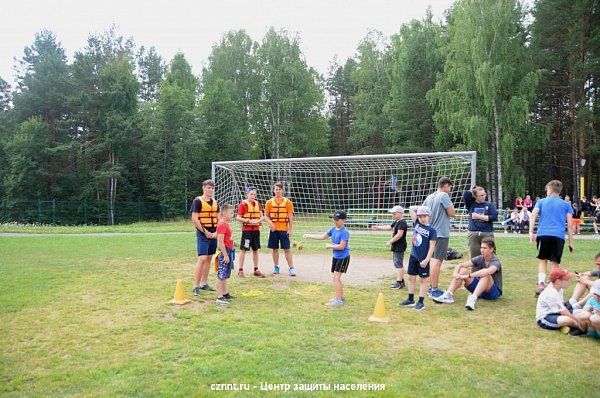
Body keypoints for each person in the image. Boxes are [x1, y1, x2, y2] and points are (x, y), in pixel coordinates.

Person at [529, 180, 574, 297]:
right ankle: (553, 287)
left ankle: (541, 284)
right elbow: (570, 225)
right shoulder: (566, 205)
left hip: (543, 234)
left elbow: (533, 214)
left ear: (550, 189)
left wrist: (531, 232)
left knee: (542, 260)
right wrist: (571, 242)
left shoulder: (541, 201)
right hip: (558, 236)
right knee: (555, 263)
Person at [433, 237, 502, 310]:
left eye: (485, 248)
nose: (482, 250)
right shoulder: (480, 258)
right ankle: (448, 295)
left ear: (491, 249)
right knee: (462, 270)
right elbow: (461, 265)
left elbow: (488, 271)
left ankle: (472, 299)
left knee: (486, 274)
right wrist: (456, 273)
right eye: (481, 247)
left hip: (492, 292)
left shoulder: (495, 262)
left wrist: (468, 276)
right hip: (480, 289)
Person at [303, 210, 350, 307]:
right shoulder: (332, 229)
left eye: (337, 219)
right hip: (336, 257)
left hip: (343, 257)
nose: (335, 221)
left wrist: (330, 246)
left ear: (343, 220)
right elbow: (322, 237)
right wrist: (309, 235)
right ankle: (340, 296)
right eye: (334, 219)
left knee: (336, 277)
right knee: (335, 277)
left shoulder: (345, 232)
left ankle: (338, 301)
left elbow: (342, 246)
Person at [421, 177, 455, 298]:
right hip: (441, 233)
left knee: (431, 260)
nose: (450, 190)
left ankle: (430, 286)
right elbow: (452, 213)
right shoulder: (444, 196)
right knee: (437, 261)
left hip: (430, 232)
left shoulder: (430, 197)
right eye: (450, 187)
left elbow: (421, 211)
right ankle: (433, 289)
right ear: (445, 185)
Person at [399, 206, 437, 311]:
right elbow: (411, 208)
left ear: (429, 216)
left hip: (423, 259)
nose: (422, 218)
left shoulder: (431, 230)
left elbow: (432, 247)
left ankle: (421, 302)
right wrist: (421, 208)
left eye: (424, 216)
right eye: (420, 216)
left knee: (423, 280)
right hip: (413, 256)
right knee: (411, 278)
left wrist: (426, 260)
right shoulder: (417, 224)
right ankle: (410, 299)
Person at [536, 268, 585, 335]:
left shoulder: (558, 288)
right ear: (558, 281)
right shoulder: (551, 293)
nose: (569, 281)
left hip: (557, 312)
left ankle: (564, 326)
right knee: (568, 320)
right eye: (567, 280)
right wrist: (579, 322)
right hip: (545, 317)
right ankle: (583, 328)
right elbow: (564, 312)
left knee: (580, 312)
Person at [191, 179, 219, 296]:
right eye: (208, 188)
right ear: (203, 188)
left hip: (214, 233)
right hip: (203, 233)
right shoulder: (197, 201)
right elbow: (195, 219)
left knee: (209, 258)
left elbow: (219, 218)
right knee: (202, 258)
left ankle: (204, 283)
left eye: (212, 188)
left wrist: (217, 232)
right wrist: (205, 231)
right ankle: (196, 286)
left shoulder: (215, 202)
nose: (210, 190)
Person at [371, 205, 408, 289]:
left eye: (394, 213)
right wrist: (378, 227)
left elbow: (399, 235)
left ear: (400, 213)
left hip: (400, 246)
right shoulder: (397, 221)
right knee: (397, 263)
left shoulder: (402, 222)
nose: (393, 215)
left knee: (398, 264)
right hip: (396, 246)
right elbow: (388, 227)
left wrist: (390, 241)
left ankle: (399, 282)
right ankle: (400, 281)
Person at [265, 182, 296, 276]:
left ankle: (291, 268)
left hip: (284, 229)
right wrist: (270, 223)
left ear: (282, 190)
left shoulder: (288, 202)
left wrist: (290, 229)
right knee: (275, 249)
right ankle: (276, 266)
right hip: (274, 230)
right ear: (273, 190)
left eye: (279, 189)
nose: (278, 191)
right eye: (276, 189)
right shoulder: (269, 202)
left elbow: (290, 216)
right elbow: (266, 216)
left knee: (287, 249)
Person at [236, 186, 265, 278]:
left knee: (256, 250)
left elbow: (262, 216)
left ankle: (256, 269)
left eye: (254, 194)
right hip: (247, 231)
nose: (253, 196)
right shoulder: (243, 204)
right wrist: (248, 221)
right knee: (243, 249)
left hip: (256, 231)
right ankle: (240, 270)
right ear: (247, 194)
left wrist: (258, 221)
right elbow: (238, 217)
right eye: (251, 194)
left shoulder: (258, 204)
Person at [463, 186, 498, 259]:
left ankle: (489, 270)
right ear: (475, 196)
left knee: (488, 256)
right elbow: (466, 194)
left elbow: (494, 217)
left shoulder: (489, 204)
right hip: (474, 234)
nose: (483, 197)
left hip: (487, 233)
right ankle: (475, 270)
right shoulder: (471, 204)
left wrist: (479, 216)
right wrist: (474, 190)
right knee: (474, 258)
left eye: (484, 194)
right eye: (480, 195)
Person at [215, 204, 236, 305]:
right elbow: (220, 241)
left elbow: (226, 238)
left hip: (228, 250)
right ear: (224, 213)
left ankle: (225, 293)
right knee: (221, 275)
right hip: (224, 252)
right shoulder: (222, 224)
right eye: (231, 213)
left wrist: (232, 241)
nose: (233, 215)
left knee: (225, 275)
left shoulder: (226, 224)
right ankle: (219, 296)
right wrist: (225, 255)